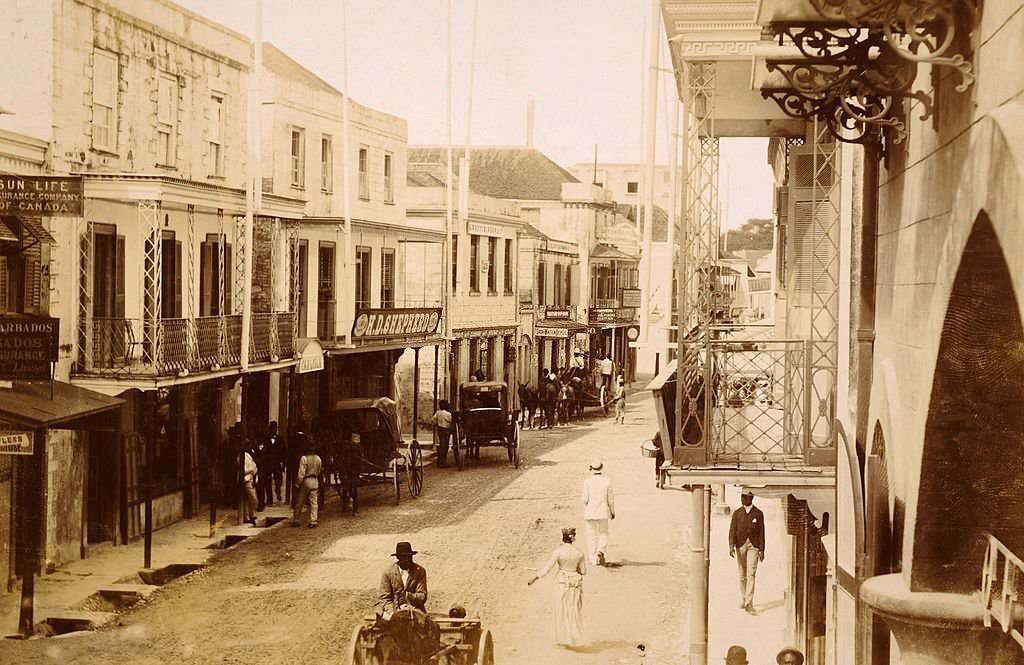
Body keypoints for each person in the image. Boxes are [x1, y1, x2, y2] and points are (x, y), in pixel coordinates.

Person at [527, 527, 586, 648]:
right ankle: (573, 638)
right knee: (573, 610)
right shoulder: (579, 553)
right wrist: (575, 569)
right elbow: (583, 571)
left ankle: (562, 638)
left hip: (561, 582)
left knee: (560, 610)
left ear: (563, 538)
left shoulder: (558, 552)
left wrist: (535, 578)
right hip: (575, 584)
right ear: (573, 538)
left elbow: (547, 568)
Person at [729, 491, 765, 614]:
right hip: (740, 545)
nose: (743, 499)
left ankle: (749, 603)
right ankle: (744, 598)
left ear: (751, 498)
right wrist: (731, 546)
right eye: (742, 497)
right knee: (742, 574)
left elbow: (762, 533)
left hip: (754, 546)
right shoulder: (737, 513)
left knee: (751, 574)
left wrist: (761, 550)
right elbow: (732, 530)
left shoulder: (758, 513)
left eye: (745, 497)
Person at [376, 541, 428, 617]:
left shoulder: (419, 571)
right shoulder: (388, 572)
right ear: (398, 557)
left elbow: (422, 596)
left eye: (409, 556)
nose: (407, 559)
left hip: (415, 610)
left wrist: (408, 596)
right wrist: (395, 611)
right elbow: (384, 598)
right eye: (404, 557)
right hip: (393, 611)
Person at [581, 460, 614, 566]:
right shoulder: (607, 481)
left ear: (591, 469)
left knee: (591, 535)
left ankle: (593, 558)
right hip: (603, 511)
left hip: (590, 512)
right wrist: (612, 512)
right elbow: (610, 499)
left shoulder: (587, 482)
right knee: (603, 532)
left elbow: (584, 499)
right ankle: (601, 550)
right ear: (602, 468)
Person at [292, 433, 323, 528]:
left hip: (306, 480)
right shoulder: (318, 458)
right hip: (315, 480)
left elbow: (301, 473)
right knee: (314, 502)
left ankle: (296, 519)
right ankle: (313, 521)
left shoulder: (304, 458)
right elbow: (320, 470)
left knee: (300, 501)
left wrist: (298, 483)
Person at [266, 420, 286, 503]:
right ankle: (269, 499)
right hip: (268, 463)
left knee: (278, 480)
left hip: (277, 463)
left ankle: (278, 491)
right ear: (269, 429)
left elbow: (284, 451)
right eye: (272, 428)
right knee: (267, 481)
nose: (273, 430)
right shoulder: (266, 439)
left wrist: (283, 462)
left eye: (275, 428)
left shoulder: (280, 439)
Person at [240, 443, 259, 526]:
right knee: (253, 498)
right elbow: (243, 470)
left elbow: (255, 467)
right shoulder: (240, 456)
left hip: (250, 479)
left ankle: (249, 515)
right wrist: (251, 470)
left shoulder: (248, 455)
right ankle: (250, 515)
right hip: (245, 480)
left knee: (248, 499)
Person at [432, 400, 453, 467]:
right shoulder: (448, 414)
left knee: (441, 444)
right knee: (445, 445)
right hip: (446, 430)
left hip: (440, 429)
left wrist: (436, 423)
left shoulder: (438, 413)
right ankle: (443, 461)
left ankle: (440, 461)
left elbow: (433, 419)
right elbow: (451, 421)